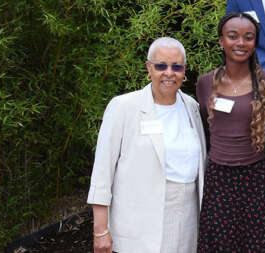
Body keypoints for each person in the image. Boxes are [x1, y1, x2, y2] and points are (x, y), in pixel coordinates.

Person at [87, 37, 207, 253]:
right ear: (148, 68)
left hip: (187, 218)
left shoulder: (192, 107)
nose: (169, 73)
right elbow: (102, 172)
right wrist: (100, 230)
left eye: (176, 67)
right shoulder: (124, 107)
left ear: (184, 70)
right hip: (138, 221)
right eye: (161, 66)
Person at [194, 12, 265, 252]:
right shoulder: (205, 83)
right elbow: (205, 128)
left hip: (256, 179)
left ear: (255, 43)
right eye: (233, 36)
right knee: (220, 244)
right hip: (218, 179)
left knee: (256, 245)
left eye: (249, 37)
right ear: (221, 41)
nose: (241, 43)